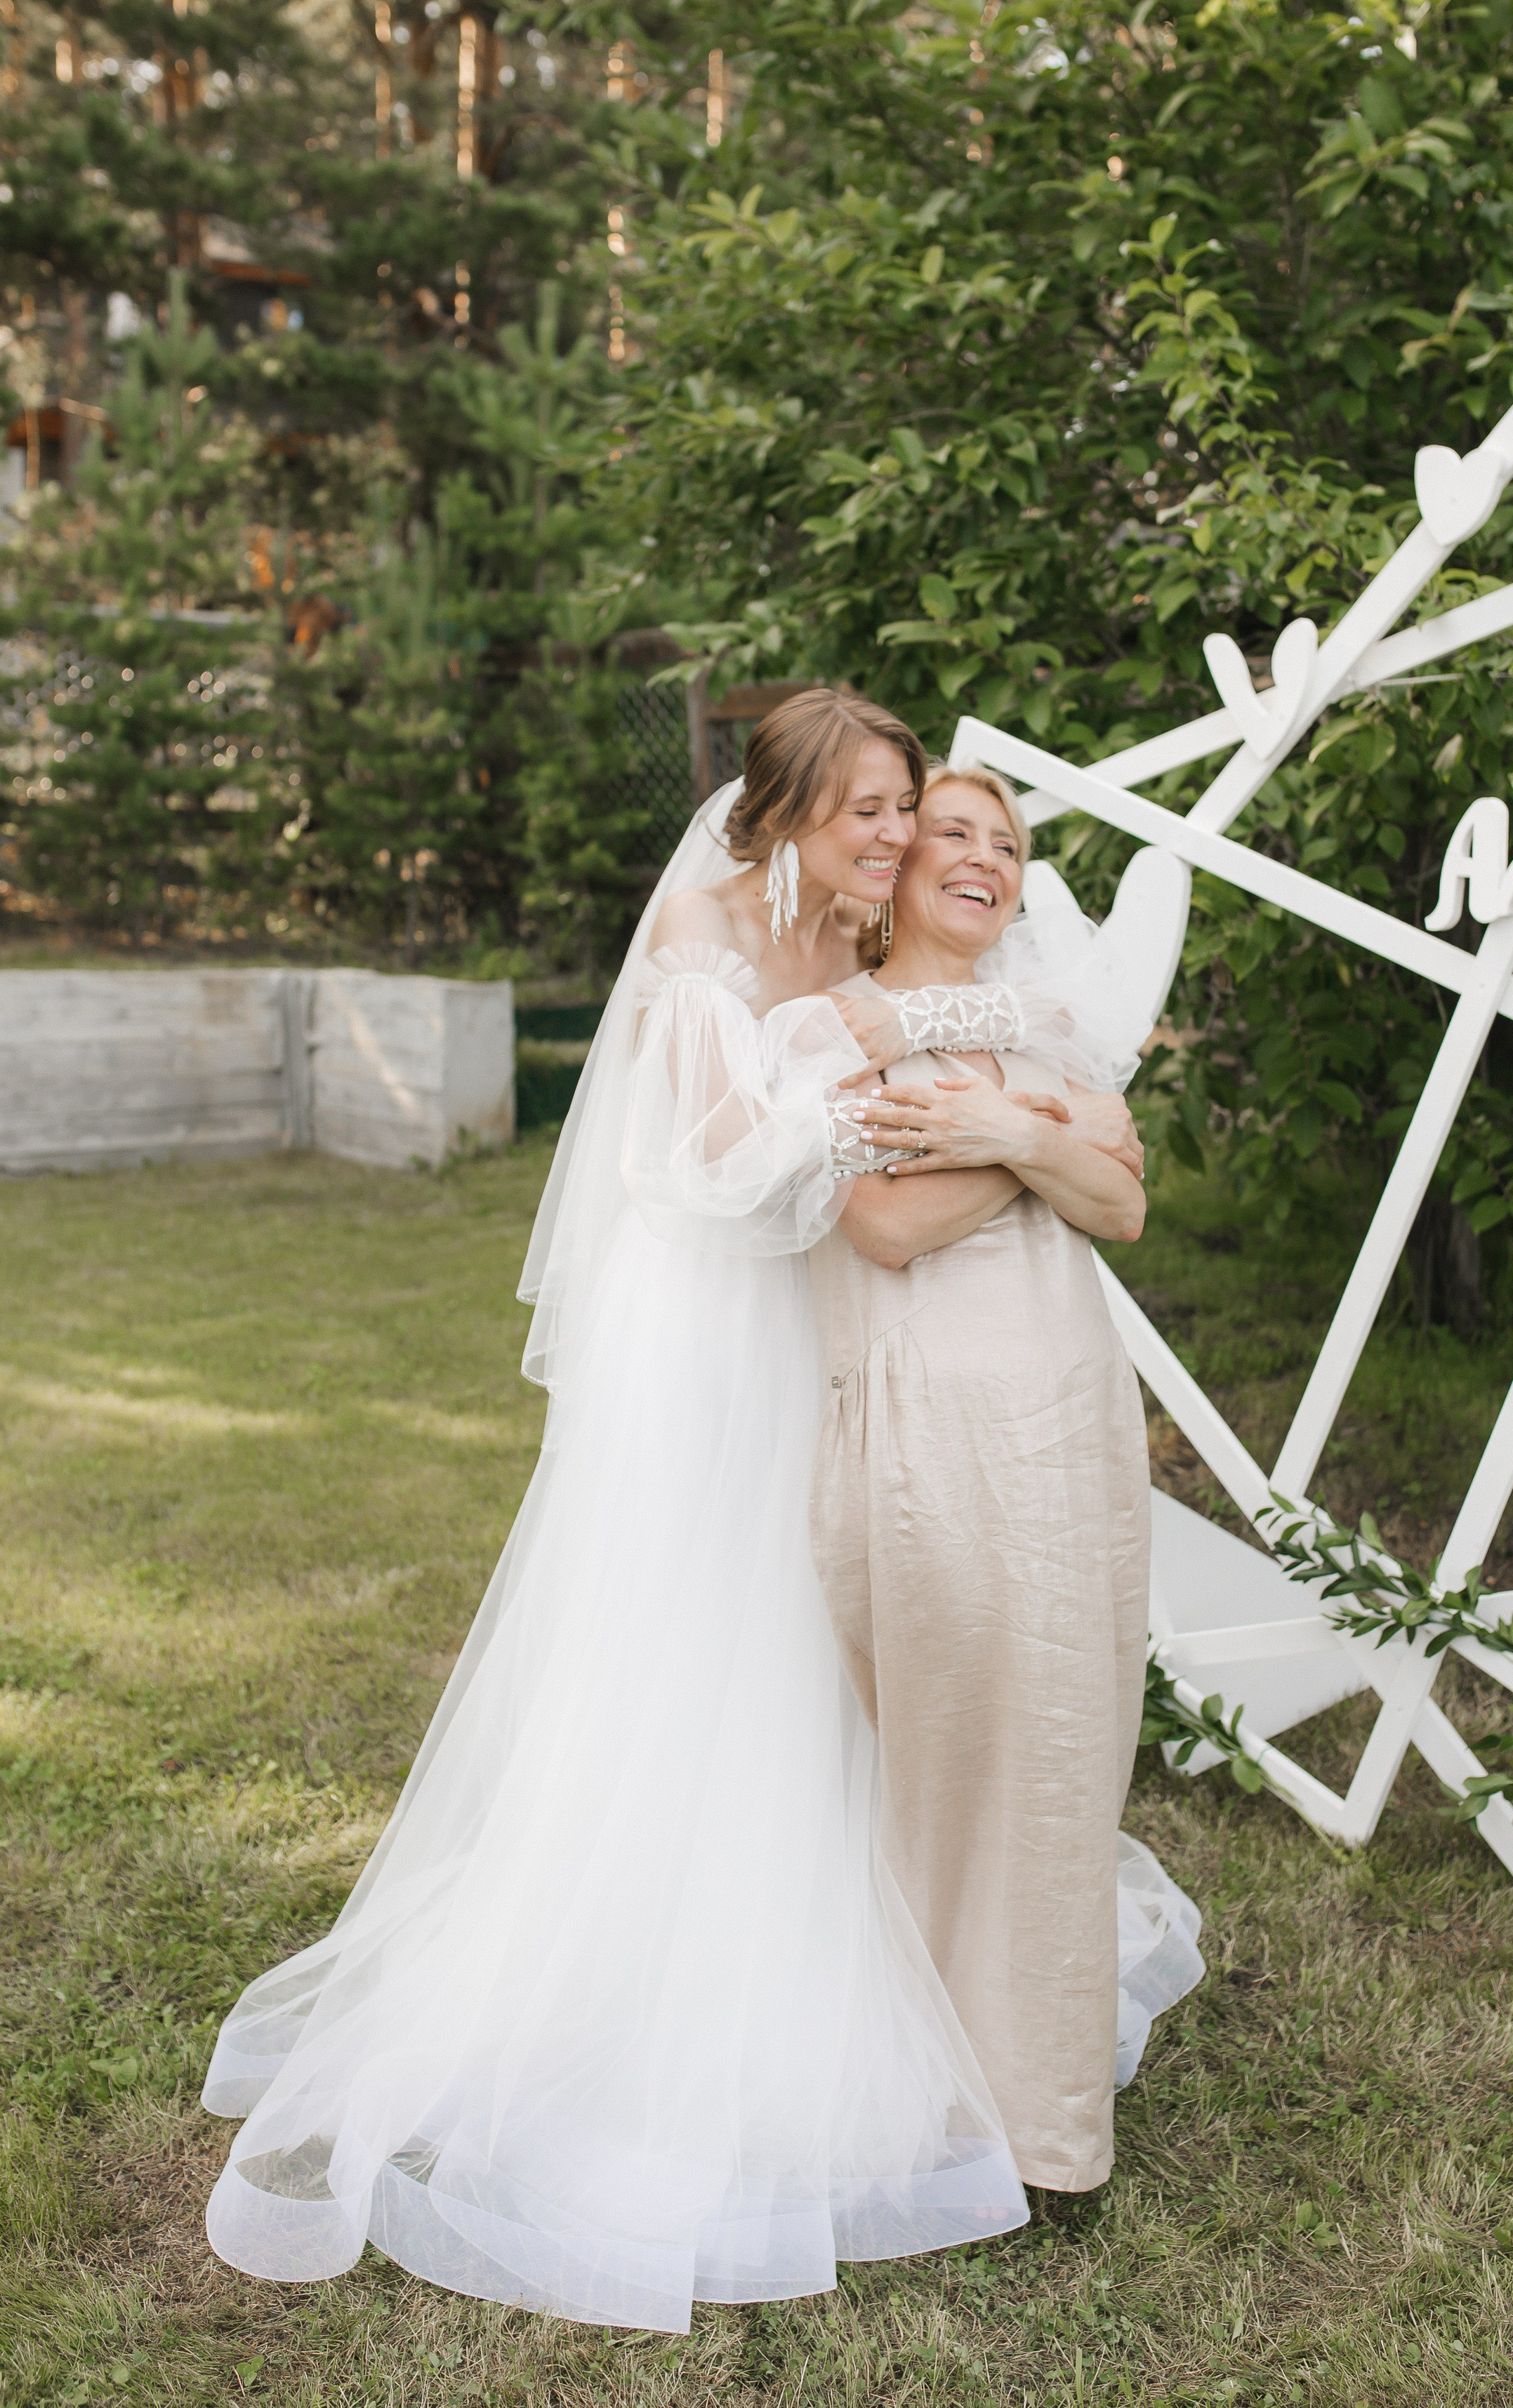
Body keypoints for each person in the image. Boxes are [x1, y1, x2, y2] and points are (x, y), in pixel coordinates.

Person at [201, 690, 1053, 2333]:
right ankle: (650, 1972)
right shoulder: (701, 929)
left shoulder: (868, 945)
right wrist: (852, 1107)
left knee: (806, 1621)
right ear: (786, 808)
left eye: (906, 811)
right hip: (698, 1324)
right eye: (869, 811)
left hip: (801, 1306)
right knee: (698, 1617)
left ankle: (829, 1924)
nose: (896, 839)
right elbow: (712, 1164)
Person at [809, 765, 1205, 2208]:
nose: (982, 860)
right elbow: (888, 1227)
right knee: (961, 1757)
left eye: (1008, 844)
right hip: (933, 1437)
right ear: (899, 865)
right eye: (952, 836)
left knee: (1066, 1756)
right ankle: (957, 2110)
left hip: (1072, 1426)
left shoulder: (1041, 1044)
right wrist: (1044, 1142)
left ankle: (1037, 2105)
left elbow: (1126, 1203)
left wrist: (1018, 1133)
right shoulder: (835, 1032)